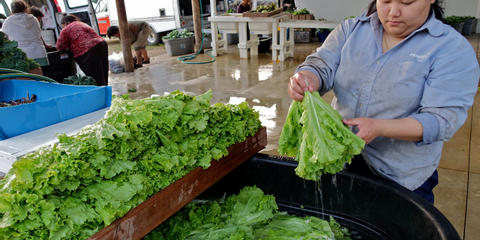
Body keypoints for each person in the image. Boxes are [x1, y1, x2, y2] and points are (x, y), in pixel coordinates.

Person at [288, 0, 479, 204]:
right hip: (341, 160)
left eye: (407, 2)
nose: (393, 12)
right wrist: (308, 77)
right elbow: (322, 64)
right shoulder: (352, 30)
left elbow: (440, 121)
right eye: (385, 1)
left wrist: (378, 127)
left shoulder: (450, 49)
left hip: (400, 176)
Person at [56, 14, 108, 86]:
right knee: (103, 72)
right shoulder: (82, 24)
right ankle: (105, 90)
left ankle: (100, 93)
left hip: (88, 49)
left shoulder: (66, 29)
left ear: (66, 23)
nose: (63, 27)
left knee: (95, 76)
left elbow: (60, 45)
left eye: (62, 26)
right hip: (101, 44)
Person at [2, 0, 48, 71]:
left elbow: (4, 38)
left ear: (12, 10)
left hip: (22, 56)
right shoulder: (33, 19)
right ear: (25, 8)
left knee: (28, 79)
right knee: (41, 78)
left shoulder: (8, 21)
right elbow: (38, 34)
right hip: (39, 53)